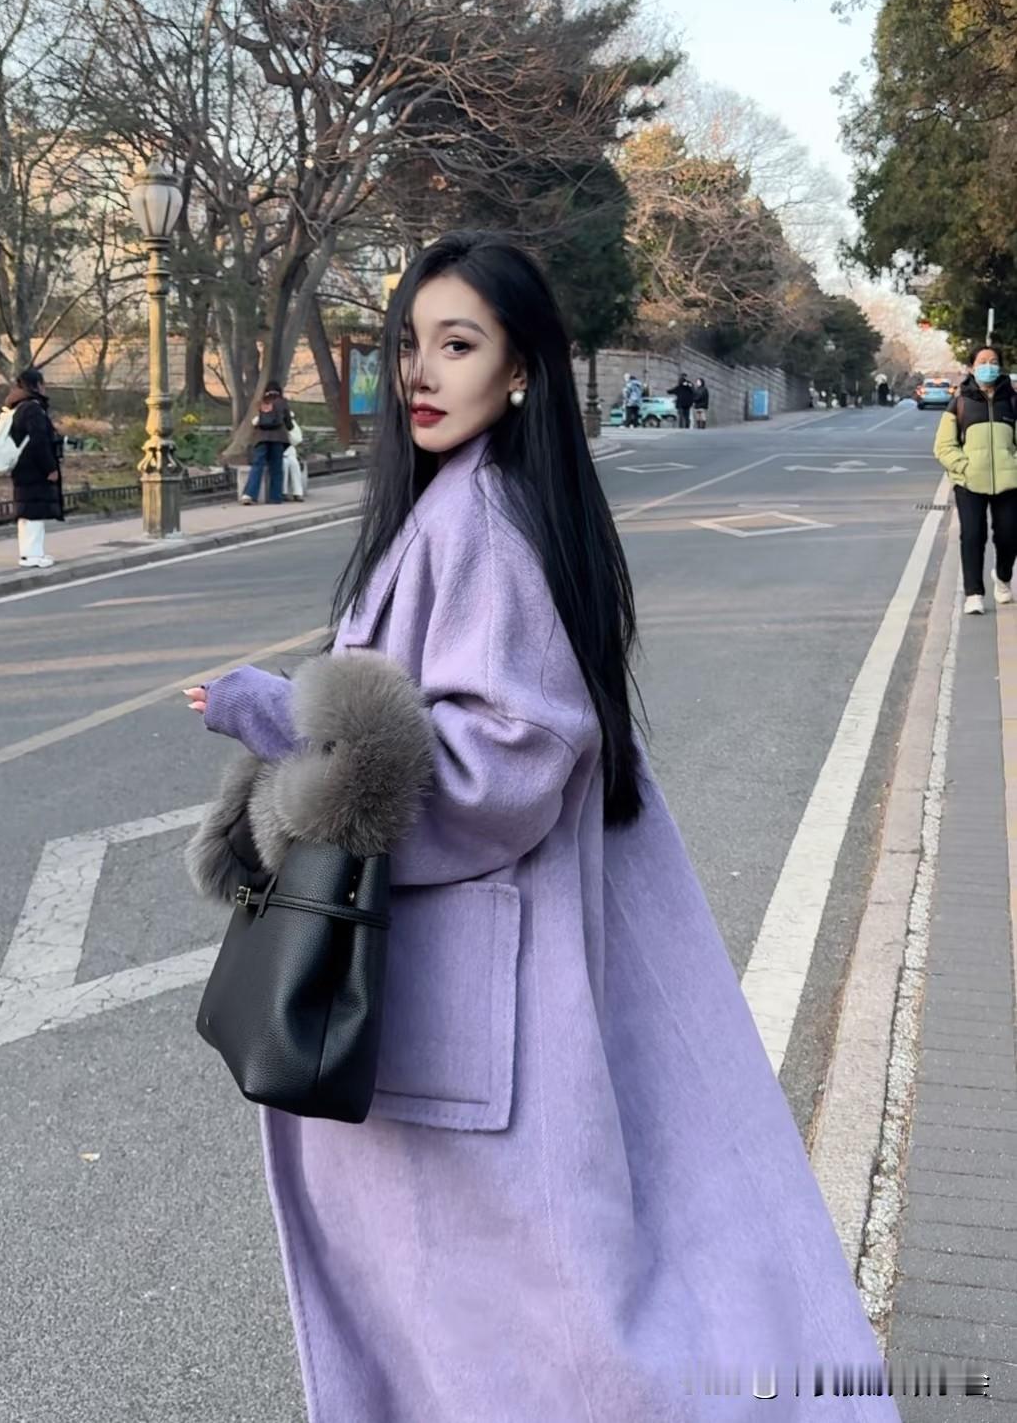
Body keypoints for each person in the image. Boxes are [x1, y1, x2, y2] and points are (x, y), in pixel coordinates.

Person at [183, 232, 897, 1422]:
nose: (421, 372)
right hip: (471, 990)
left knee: (526, 1338)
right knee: (506, 1323)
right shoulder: (470, 505)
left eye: (458, 345)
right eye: (410, 344)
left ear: (520, 370)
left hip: (460, 1004)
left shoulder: (482, 523)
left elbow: (502, 766)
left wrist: (282, 721)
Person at [934, 342, 1017, 615]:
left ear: (1000, 367)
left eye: (993, 362)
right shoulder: (960, 403)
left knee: (1009, 535)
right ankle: (974, 593)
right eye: (982, 362)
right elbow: (944, 446)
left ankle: (1003, 577)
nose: (988, 367)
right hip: (969, 483)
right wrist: (964, 467)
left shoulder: (1012, 401)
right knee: (972, 535)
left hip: (1009, 483)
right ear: (971, 368)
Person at [3, 367, 64, 568]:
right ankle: (32, 555)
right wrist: (50, 468)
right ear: (37, 385)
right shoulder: (32, 409)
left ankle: (31, 553)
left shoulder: (18, 407)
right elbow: (39, 441)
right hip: (34, 468)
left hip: (23, 467)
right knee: (33, 513)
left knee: (27, 512)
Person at [241, 382, 293, 505]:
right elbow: (289, 424)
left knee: (257, 465)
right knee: (276, 468)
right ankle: (275, 497)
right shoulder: (282, 402)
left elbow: (254, 421)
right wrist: (288, 425)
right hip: (278, 439)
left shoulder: (260, 402)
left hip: (261, 439)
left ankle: (249, 495)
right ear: (279, 391)